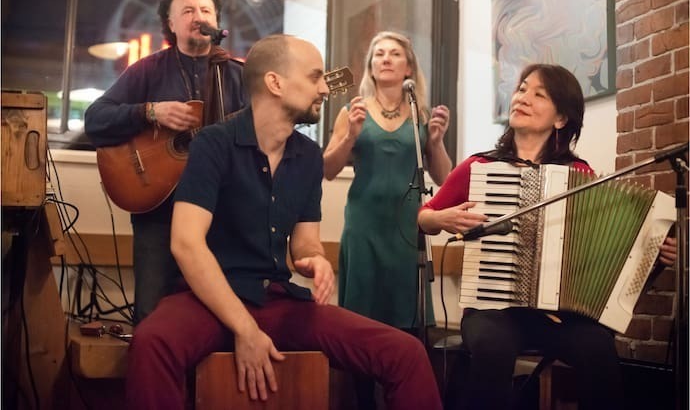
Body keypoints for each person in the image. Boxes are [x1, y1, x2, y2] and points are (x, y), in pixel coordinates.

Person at [124, 34, 443, 410]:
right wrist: (245, 330)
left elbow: (304, 243)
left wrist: (315, 260)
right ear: (275, 83)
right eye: (314, 77)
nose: (325, 87)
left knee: (404, 352)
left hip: (277, 300)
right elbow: (186, 244)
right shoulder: (213, 144)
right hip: (208, 300)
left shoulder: (307, 156)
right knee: (151, 343)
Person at [417, 63, 678, 410]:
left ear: (560, 119)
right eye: (522, 89)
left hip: (558, 314)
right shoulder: (479, 167)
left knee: (597, 348)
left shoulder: (580, 174)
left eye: (539, 94)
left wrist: (654, 250)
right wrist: (440, 216)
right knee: (492, 349)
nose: (523, 97)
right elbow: (422, 219)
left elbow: (606, 244)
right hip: (492, 309)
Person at [84, 0, 247, 324]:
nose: (198, 16)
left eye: (205, 10)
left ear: (217, 22)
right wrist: (150, 111)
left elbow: (258, 135)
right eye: (188, 10)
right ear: (171, 24)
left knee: (214, 313)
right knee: (152, 313)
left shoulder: (237, 76)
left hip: (220, 211)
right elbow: (94, 119)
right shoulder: (148, 69)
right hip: (158, 209)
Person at [323, 31, 452, 329]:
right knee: (361, 320)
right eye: (379, 54)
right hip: (364, 228)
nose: (386, 59)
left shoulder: (421, 114)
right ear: (370, 67)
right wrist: (350, 137)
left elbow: (443, 176)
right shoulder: (352, 111)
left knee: (407, 320)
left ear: (408, 67)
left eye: (394, 53)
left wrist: (436, 142)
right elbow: (327, 170)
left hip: (408, 230)